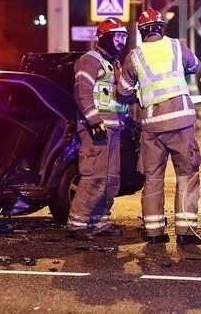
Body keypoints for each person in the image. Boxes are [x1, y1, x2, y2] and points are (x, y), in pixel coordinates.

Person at [117, 8, 201, 245]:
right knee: (188, 175)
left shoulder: (134, 56)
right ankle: (186, 233)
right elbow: (195, 66)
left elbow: (123, 91)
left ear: (142, 31)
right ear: (162, 28)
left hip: (152, 127)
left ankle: (155, 232)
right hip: (181, 123)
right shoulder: (177, 46)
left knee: (153, 177)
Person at [66, 17, 130, 240]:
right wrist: (94, 122)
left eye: (124, 37)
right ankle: (77, 223)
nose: (122, 42)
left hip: (113, 128)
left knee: (111, 178)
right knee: (94, 176)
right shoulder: (89, 61)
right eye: (118, 37)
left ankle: (101, 222)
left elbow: (122, 95)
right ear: (105, 37)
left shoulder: (114, 63)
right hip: (95, 129)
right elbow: (82, 93)